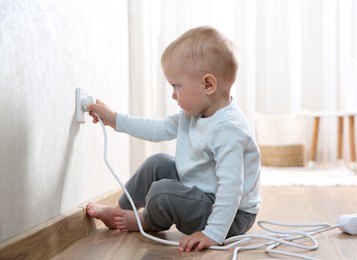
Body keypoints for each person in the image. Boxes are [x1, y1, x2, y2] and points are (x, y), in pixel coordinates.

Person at [86, 26, 261, 253]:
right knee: (158, 163)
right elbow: (157, 128)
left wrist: (213, 233)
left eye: (176, 86)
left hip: (232, 215)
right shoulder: (194, 114)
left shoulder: (229, 130)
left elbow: (231, 189)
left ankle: (145, 222)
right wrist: (114, 120)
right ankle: (121, 210)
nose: (173, 95)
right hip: (201, 193)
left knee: (162, 192)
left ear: (208, 85)